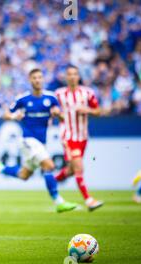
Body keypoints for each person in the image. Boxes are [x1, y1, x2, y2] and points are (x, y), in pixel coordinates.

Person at [0, 68, 77, 213]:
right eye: (34, 78)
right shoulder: (23, 99)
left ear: (43, 79)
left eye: (40, 77)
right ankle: (59, 202)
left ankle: (0, 168)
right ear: (30, 80)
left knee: (24, 175)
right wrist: (15, 116)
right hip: (27, 140)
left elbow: (63, 117)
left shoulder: (51, 98)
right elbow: (6, 114)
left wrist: (58, 114)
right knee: (49, 165)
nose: (37, 80)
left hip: (41, 143)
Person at [54, 65, 104, 211]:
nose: (72, 77)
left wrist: (87, 110)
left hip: (83, 137)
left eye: (75, 74)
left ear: (78, 76)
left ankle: (51, 181)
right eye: (69, 74)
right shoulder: (59, 94)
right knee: (79, 168)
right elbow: (53, 109)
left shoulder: (87, 93)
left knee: (70, 171)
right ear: (66, 77)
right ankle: (88, 200)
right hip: (68, 137)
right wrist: (56, 112)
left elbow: (98, 111)